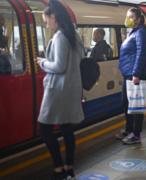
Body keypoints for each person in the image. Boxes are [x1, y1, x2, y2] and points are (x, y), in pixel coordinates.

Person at [35, 0, 84, 179]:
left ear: (53, 17)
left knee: (44, 128)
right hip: (71, 88)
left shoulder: (60, 36)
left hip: (58, 89)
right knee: (66, 128)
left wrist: (42, 62)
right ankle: (69, 167)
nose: (46, 24)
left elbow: (59, 66)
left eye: (46, 20)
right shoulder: (74, 34)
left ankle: (58, 166)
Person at [117, 7, 146, 145]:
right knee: (126, 104)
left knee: (136, 106)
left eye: (130, 16)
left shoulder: (141, 32)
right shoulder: (134, 31)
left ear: (137, 18)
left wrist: (136, 74)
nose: (127, 19)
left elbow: (141, 53)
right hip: (129, 74)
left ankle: (136, 135)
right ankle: (129, 129)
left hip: (135, 75)